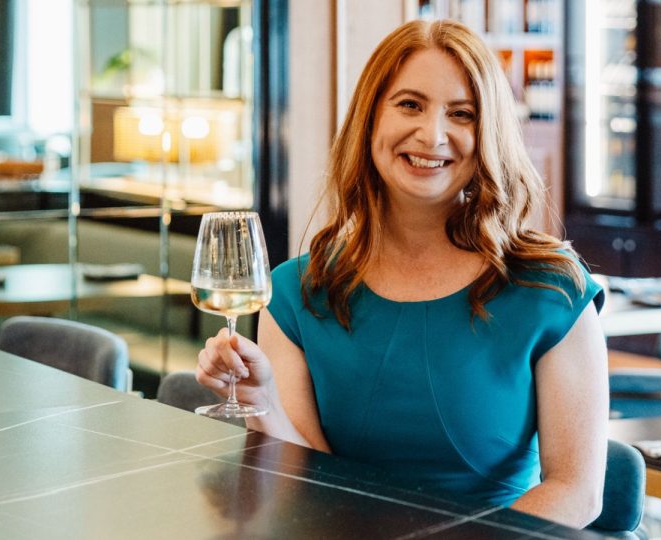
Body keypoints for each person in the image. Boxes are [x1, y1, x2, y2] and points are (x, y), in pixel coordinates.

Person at [197, 19, 609, 529]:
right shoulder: (294, 294)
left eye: (462, 114)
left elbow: (576, 492)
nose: (432, 134)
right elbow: (307, 483)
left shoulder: (550, 289)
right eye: (410, 104)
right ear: (371, 119)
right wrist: (260, 403)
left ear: (488, 135)